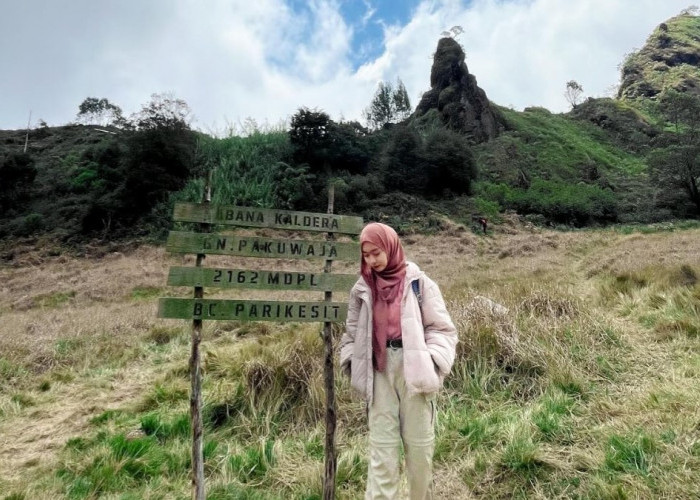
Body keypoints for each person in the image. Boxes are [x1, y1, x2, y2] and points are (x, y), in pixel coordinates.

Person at [339, 222, 458, 500]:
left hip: (414, 370)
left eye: (376, 252)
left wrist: (432, 363)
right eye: (366, 254)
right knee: (382, 450)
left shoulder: (419, 283)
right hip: (378, 371)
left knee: (419, 450)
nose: (371, 260)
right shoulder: (362, 288)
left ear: (391, 248)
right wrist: (351, 363)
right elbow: (351, 333)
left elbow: (442, 329)